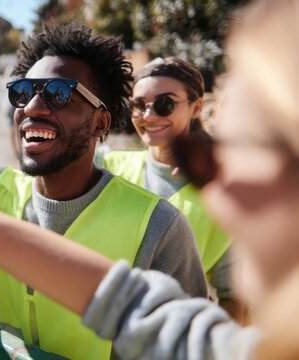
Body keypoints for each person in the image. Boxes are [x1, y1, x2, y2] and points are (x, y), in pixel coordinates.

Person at [0, 0, 299, 358]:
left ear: (102, 120)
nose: (32, 106)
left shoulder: (159, 227)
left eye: (59, 93)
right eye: (23, 91)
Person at [102, 57, 241, 319]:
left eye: (165, 104)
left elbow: (234, 297)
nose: (149, 115)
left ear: (196, 107)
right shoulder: (109, 167)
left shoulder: (221, 193)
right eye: (139, 105)